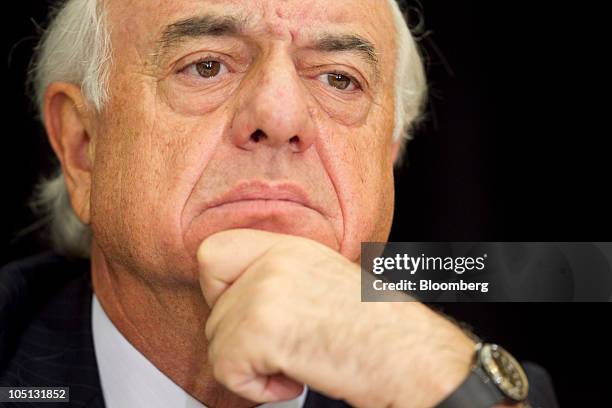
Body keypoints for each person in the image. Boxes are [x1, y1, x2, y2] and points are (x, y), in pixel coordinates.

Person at [0, 0, 559, 407]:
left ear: (388, 155)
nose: (280, 117)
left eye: (339, 79)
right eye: (206, 65)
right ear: (83, 146)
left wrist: (448, 387)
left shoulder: (454, 386)